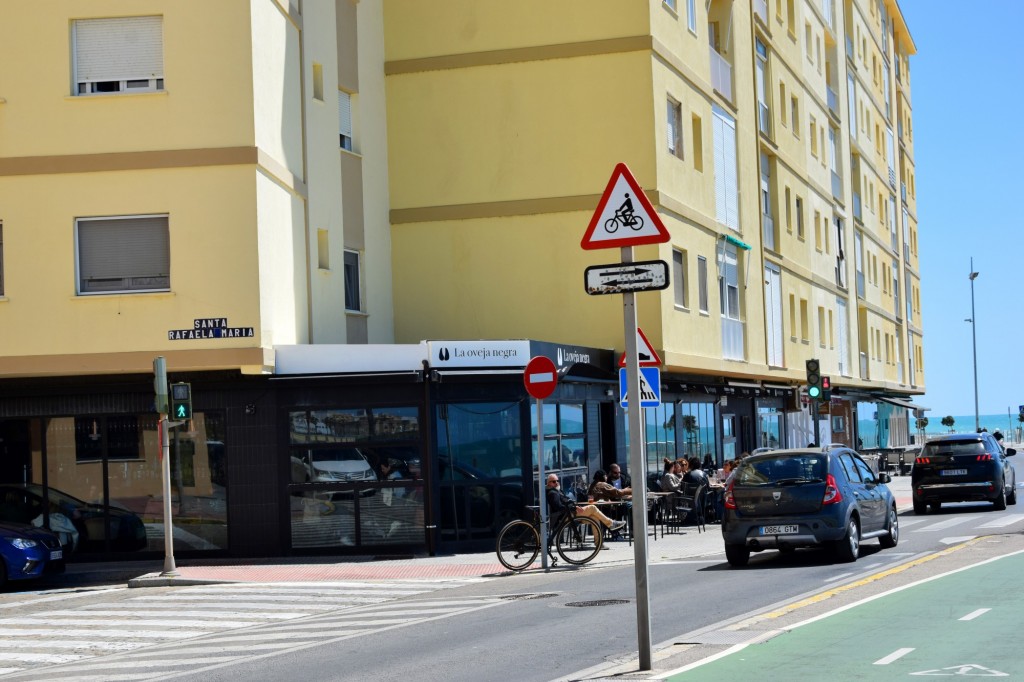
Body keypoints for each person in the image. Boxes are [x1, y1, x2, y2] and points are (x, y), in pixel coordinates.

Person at [547, 474, 625, 533]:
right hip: (565, 516)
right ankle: (611, 523)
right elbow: (558, 507)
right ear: (549, 483)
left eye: (557, 481)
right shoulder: (553, 493)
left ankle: (599, 544)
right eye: (554, 481)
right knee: (592, 507)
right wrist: (573, 508)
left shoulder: (557, 491)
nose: (557, 483)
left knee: (595, 519)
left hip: (571, 513)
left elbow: (565, 502)